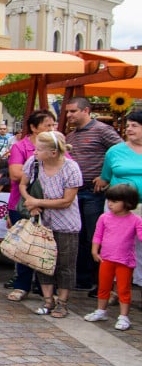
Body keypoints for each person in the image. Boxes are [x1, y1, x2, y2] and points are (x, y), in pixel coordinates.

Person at [63, 97, 123, 294]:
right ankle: (82, 279)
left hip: (93, 192)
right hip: (75, 193)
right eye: (68, 112)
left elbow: (121, 153)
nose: (69, 115)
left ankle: (101, 282)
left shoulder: (103, 131)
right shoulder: (71, 136)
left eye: (73, 111)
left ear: (86, 110)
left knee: (94, 237)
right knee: (77, 237)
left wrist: (106, 177)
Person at [19, 130, 82, 318]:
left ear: (53, 152)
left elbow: (66, 201)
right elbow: (23, 184)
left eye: (39, 149)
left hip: (66, 224)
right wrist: (30, 201)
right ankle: (48, 300)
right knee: (43, 261)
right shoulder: (34, 163)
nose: (34, 152)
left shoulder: (71, 168)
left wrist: (38, 203)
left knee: (65, 264)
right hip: (43, 222)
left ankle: (62, 302)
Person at [6, 109, 58, 301]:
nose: (52, 129)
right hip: (23, 202)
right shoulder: (21, 147)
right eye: (47, 125)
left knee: (48, 246)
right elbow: (15, 173)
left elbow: (67, 169)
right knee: (25, 245)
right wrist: (49, 171)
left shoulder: (57, 146)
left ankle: (44, 285)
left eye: (54, 125)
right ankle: (22, 284)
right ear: (34, 128)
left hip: (51, 204)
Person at [84, 184, 142, 331]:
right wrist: (94, 250)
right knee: (103, 286)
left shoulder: (135, 220)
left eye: (115, 201)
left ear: (128, 203)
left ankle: (124, 316)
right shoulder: (104, 217)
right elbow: (98, 235)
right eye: (109, 200)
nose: (110, 204)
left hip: (125, 261)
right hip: (106, 258)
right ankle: (101, 311)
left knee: (123, 289)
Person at [99, 110, 142, 288]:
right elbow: (105, 178)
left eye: (135, 126)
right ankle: (116, 287)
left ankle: (138, 284)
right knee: (117, 247)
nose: (129, 129)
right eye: (128, 125)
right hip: (119, 208)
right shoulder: (114, 151)